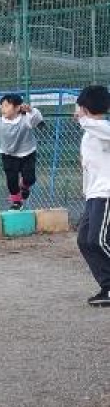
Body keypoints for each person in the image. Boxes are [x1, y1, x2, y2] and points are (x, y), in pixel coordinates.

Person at [74, 85, 110, 307]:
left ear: (85, 107)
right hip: (94, 195)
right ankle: (108, 286)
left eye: (79, 106)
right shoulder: (89, 134)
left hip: (107, 193)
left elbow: (95, 126)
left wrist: (82, 117)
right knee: (85, 241)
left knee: (98, 239)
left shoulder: (104, 128)